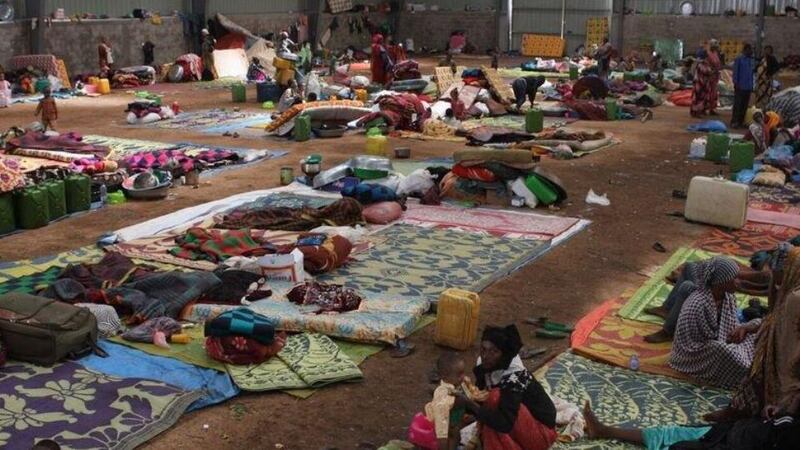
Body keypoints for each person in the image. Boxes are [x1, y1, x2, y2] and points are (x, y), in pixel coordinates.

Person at [704, 246, 800, 424]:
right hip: (782, 349)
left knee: (759, 366)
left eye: (779, 276)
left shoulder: (795, 298)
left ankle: (757, 414)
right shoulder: (791, 290)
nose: (777, 283)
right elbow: (773, 318)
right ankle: (741, 410)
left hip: (792, 362)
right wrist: (750, 327)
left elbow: (777, 326)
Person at [582, 391, 800, 450]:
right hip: (736, 432)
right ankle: (603, 430)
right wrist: (780, 411)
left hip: (736, 443)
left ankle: (603, 430)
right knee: (672, 433)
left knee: (676, 444)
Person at [456, 325, 557, 450]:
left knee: (494, 398)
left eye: (494, 352)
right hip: (516, 425)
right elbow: (480, 397)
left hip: (541, 435)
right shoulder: (487, 365)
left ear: (504, 354)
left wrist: (472, 405)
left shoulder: (514, 377)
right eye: (483, 349)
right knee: (490, 409)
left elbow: (504, 424)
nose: (486, 356)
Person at [670, 257, 761, 388]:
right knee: (721, 349)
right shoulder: (697, 303)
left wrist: (739, 332)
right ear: (721, 281)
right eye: (734, 278)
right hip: (694, 354)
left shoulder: (728, 297)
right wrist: (728, 341)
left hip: (721, 340)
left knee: (755, 334)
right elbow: (697, 343)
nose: (738, 282)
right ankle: (749, 372)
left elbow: (731, 325)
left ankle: (749, 364)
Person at [409, 353, 486, 450]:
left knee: (457, 435)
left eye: (463, 372)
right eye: (459, 374)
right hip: (445, 427)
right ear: (444, 376)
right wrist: (443, 444)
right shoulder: (443, 398)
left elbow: (473, 396)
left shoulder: (458, 384)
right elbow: (441, 428)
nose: (463, 377)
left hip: (454, 423)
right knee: (453, 437)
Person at [731, 44, 755, 129]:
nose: (751, 51)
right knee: (738, 104)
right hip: (740, 86)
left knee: (744, 105)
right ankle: (734, 121)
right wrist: (736, 83)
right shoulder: (739, 59)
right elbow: (735, 72)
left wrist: (752, 86)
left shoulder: (750, 60)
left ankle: (740, 121)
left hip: (748, 86)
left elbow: (751, 74)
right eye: (750, 50)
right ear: (746, 50)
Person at [755, 45, 781, 110]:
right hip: (760, 81)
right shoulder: (762, 58)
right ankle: (759, 108)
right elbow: (757, 66)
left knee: (767, 94)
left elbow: (777, 67)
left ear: (771, 51)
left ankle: (766, 109)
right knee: (759, 94)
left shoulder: (772, 58)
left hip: (767, 80)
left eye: (768, 50)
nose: (767, 51)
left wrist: (770, 73)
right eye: (766, 50)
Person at [691, 49, 716, 117]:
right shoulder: (701, 64)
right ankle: (697, 112)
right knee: (699, 98)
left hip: (703, 83)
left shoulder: (702, 63)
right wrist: (713, 72)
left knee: (702, 97)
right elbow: (706, 71)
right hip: (700, 83)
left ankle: (700, 110)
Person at [707, 40, 723, 113]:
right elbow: (706, 65)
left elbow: (718, 64)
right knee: (708, 92)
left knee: (714, 92)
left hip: (715, 76)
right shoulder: (708, 54)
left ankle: (712, 108)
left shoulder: (715, 54)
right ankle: (705, 108)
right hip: (709, 76)